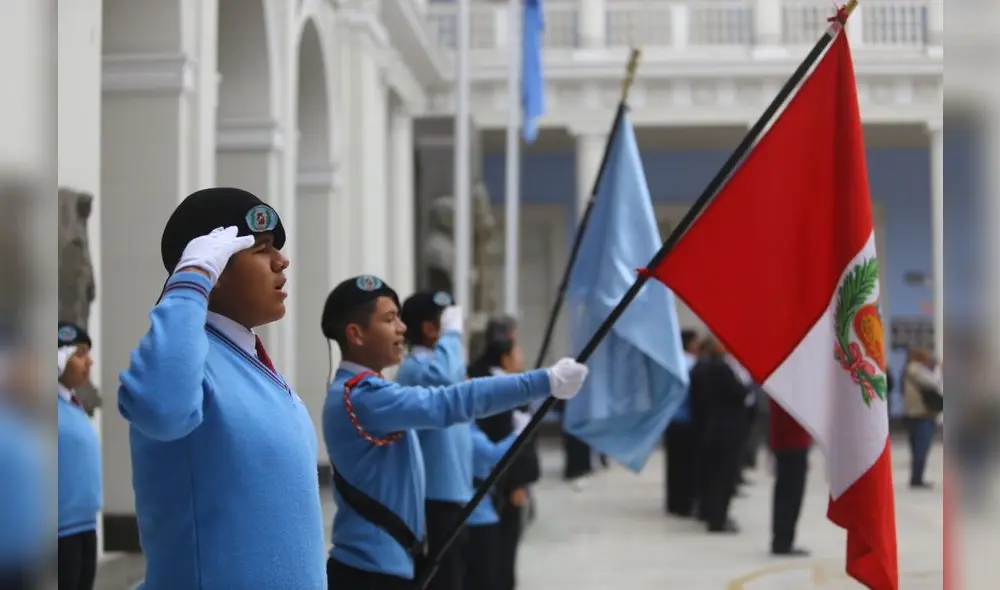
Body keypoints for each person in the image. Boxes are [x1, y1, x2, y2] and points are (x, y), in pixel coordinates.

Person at [117, 188, 326, 589]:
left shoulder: (245, 359)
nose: (282, 261)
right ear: (214, 267)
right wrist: (189, 281)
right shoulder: (185, 361)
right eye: (261, 249)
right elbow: (161, 408)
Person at [321, 275, 589, 589]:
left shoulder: (367, 392)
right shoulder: (363, 396)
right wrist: (542, 382)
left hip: (387, 563)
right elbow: (450, 400)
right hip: (371, 572)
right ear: (356, 334)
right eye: (389, 319)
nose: (402, 328)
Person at [396, 291, 520, 590]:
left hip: (458, 494)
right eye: (447, 324)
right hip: (433, 499)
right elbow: (446, 380)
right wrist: (451, 336)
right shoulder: (417, 368)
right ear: (429, 329)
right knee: (444, 581)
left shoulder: (444, 367)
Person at [468, 322, 535, 590]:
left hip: (502, 480)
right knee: (503, 548)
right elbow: (502, 444)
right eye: (517, 351)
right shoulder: (500, 388)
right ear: (505, 357)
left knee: (505, 547)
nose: (521, 357)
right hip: (502, 482)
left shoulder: (507, 383)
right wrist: (518, 483)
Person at [689, 337, 749, 533]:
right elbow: (739, 392)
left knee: (714, 475)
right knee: (723, 477)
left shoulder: (707, 367)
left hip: (713, 427)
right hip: (726, 430)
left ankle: (712, 513)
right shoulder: (721, 369)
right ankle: (718, 518)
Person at [57, 322, 101, 590]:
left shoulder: (73, 404)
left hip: (84, 527)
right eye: (81, 353)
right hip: (58, 533)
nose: (90, 361)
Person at [462, 423, 521, 590]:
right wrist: (517, 434)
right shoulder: (465, 429)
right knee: (483, 576)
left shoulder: (467, 426)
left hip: (478, 509)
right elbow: (494, 455)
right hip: (478, 516)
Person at [767, 397, 811, 556]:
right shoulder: (787, 388)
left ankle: (783, 539)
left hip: (790, 441)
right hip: (791, 442)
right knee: (790, 494)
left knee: (788, 493)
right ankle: (782, 541)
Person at [664, 328, 699, 517]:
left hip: (672, 419)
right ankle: (684, 504)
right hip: (687, 420)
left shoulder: (673, 362)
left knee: (674, 465)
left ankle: (673, 502)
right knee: (686, 465)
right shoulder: (692, 363)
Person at [902, 347, 943, 489]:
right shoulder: (918, 371)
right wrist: (938, 370)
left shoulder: (908, 370)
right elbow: (934, 383)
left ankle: (916, 478)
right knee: (921, 448)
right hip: (922, 414)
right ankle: (917, 480)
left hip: (911, 414)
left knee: (916, 448)